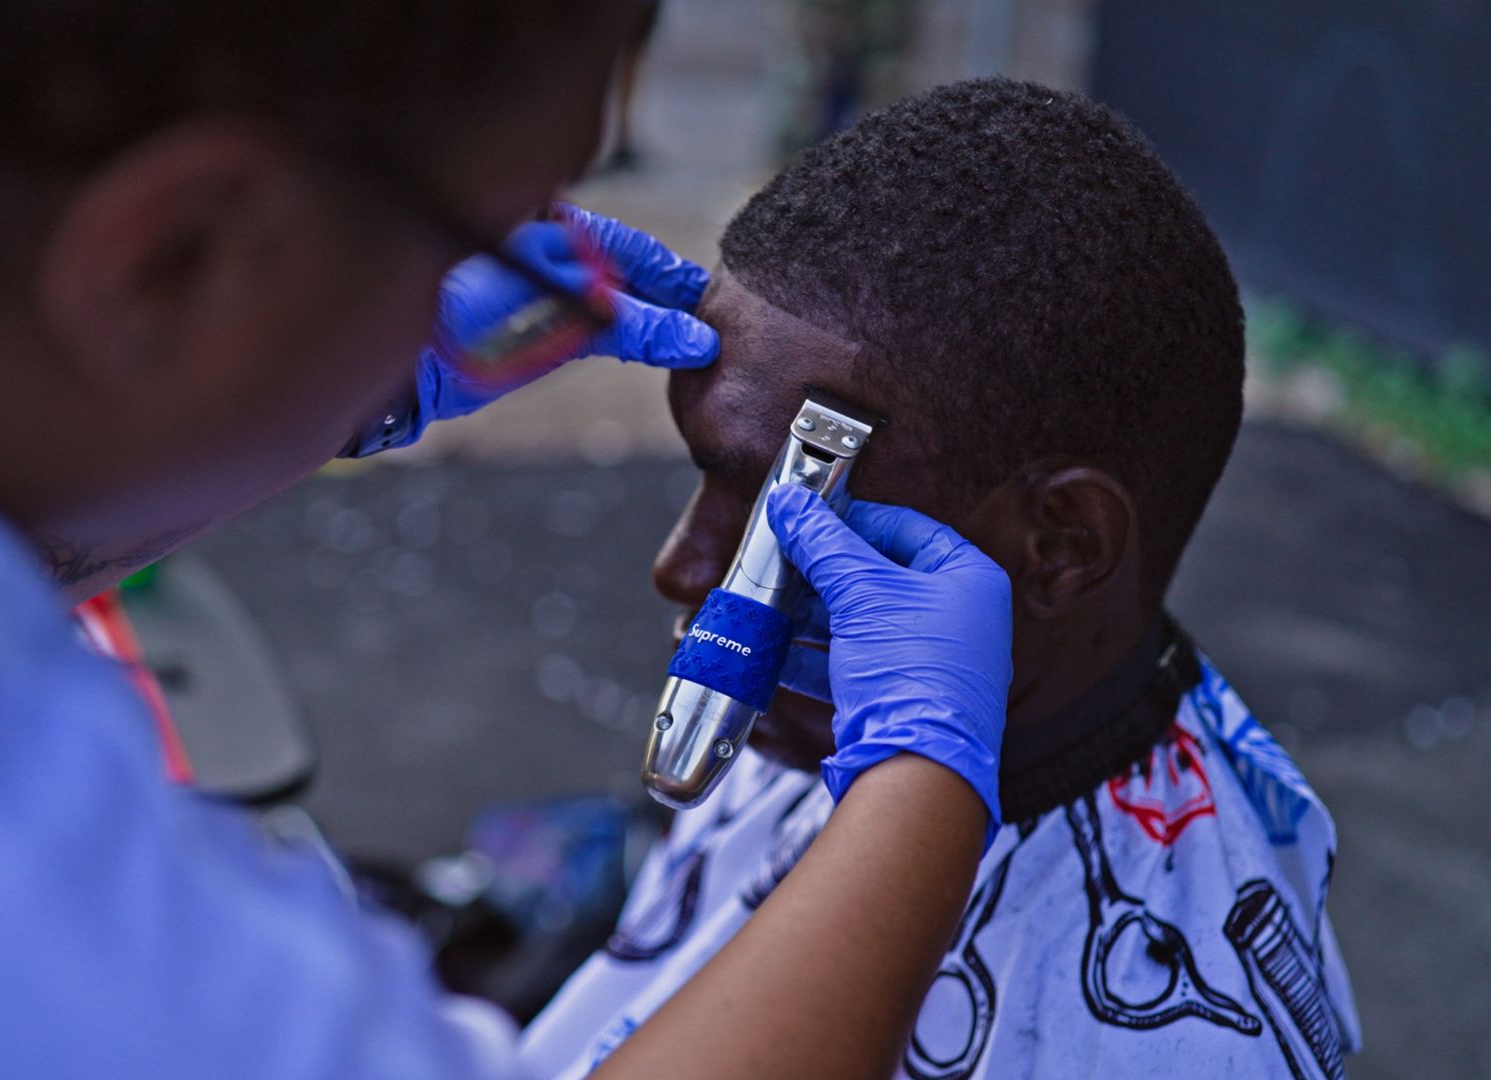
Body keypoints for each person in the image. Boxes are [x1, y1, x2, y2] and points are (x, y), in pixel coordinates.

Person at [0, 5, 1016, 1078]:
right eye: (498, 225)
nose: (677, 569)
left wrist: (327, 390)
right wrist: (926, 775)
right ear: (172, 254)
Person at [520, 78, 1363, 1079]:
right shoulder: (817, 725)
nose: (678, 569)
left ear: (1061, 542)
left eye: (777, 518)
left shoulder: (1168, 1044)